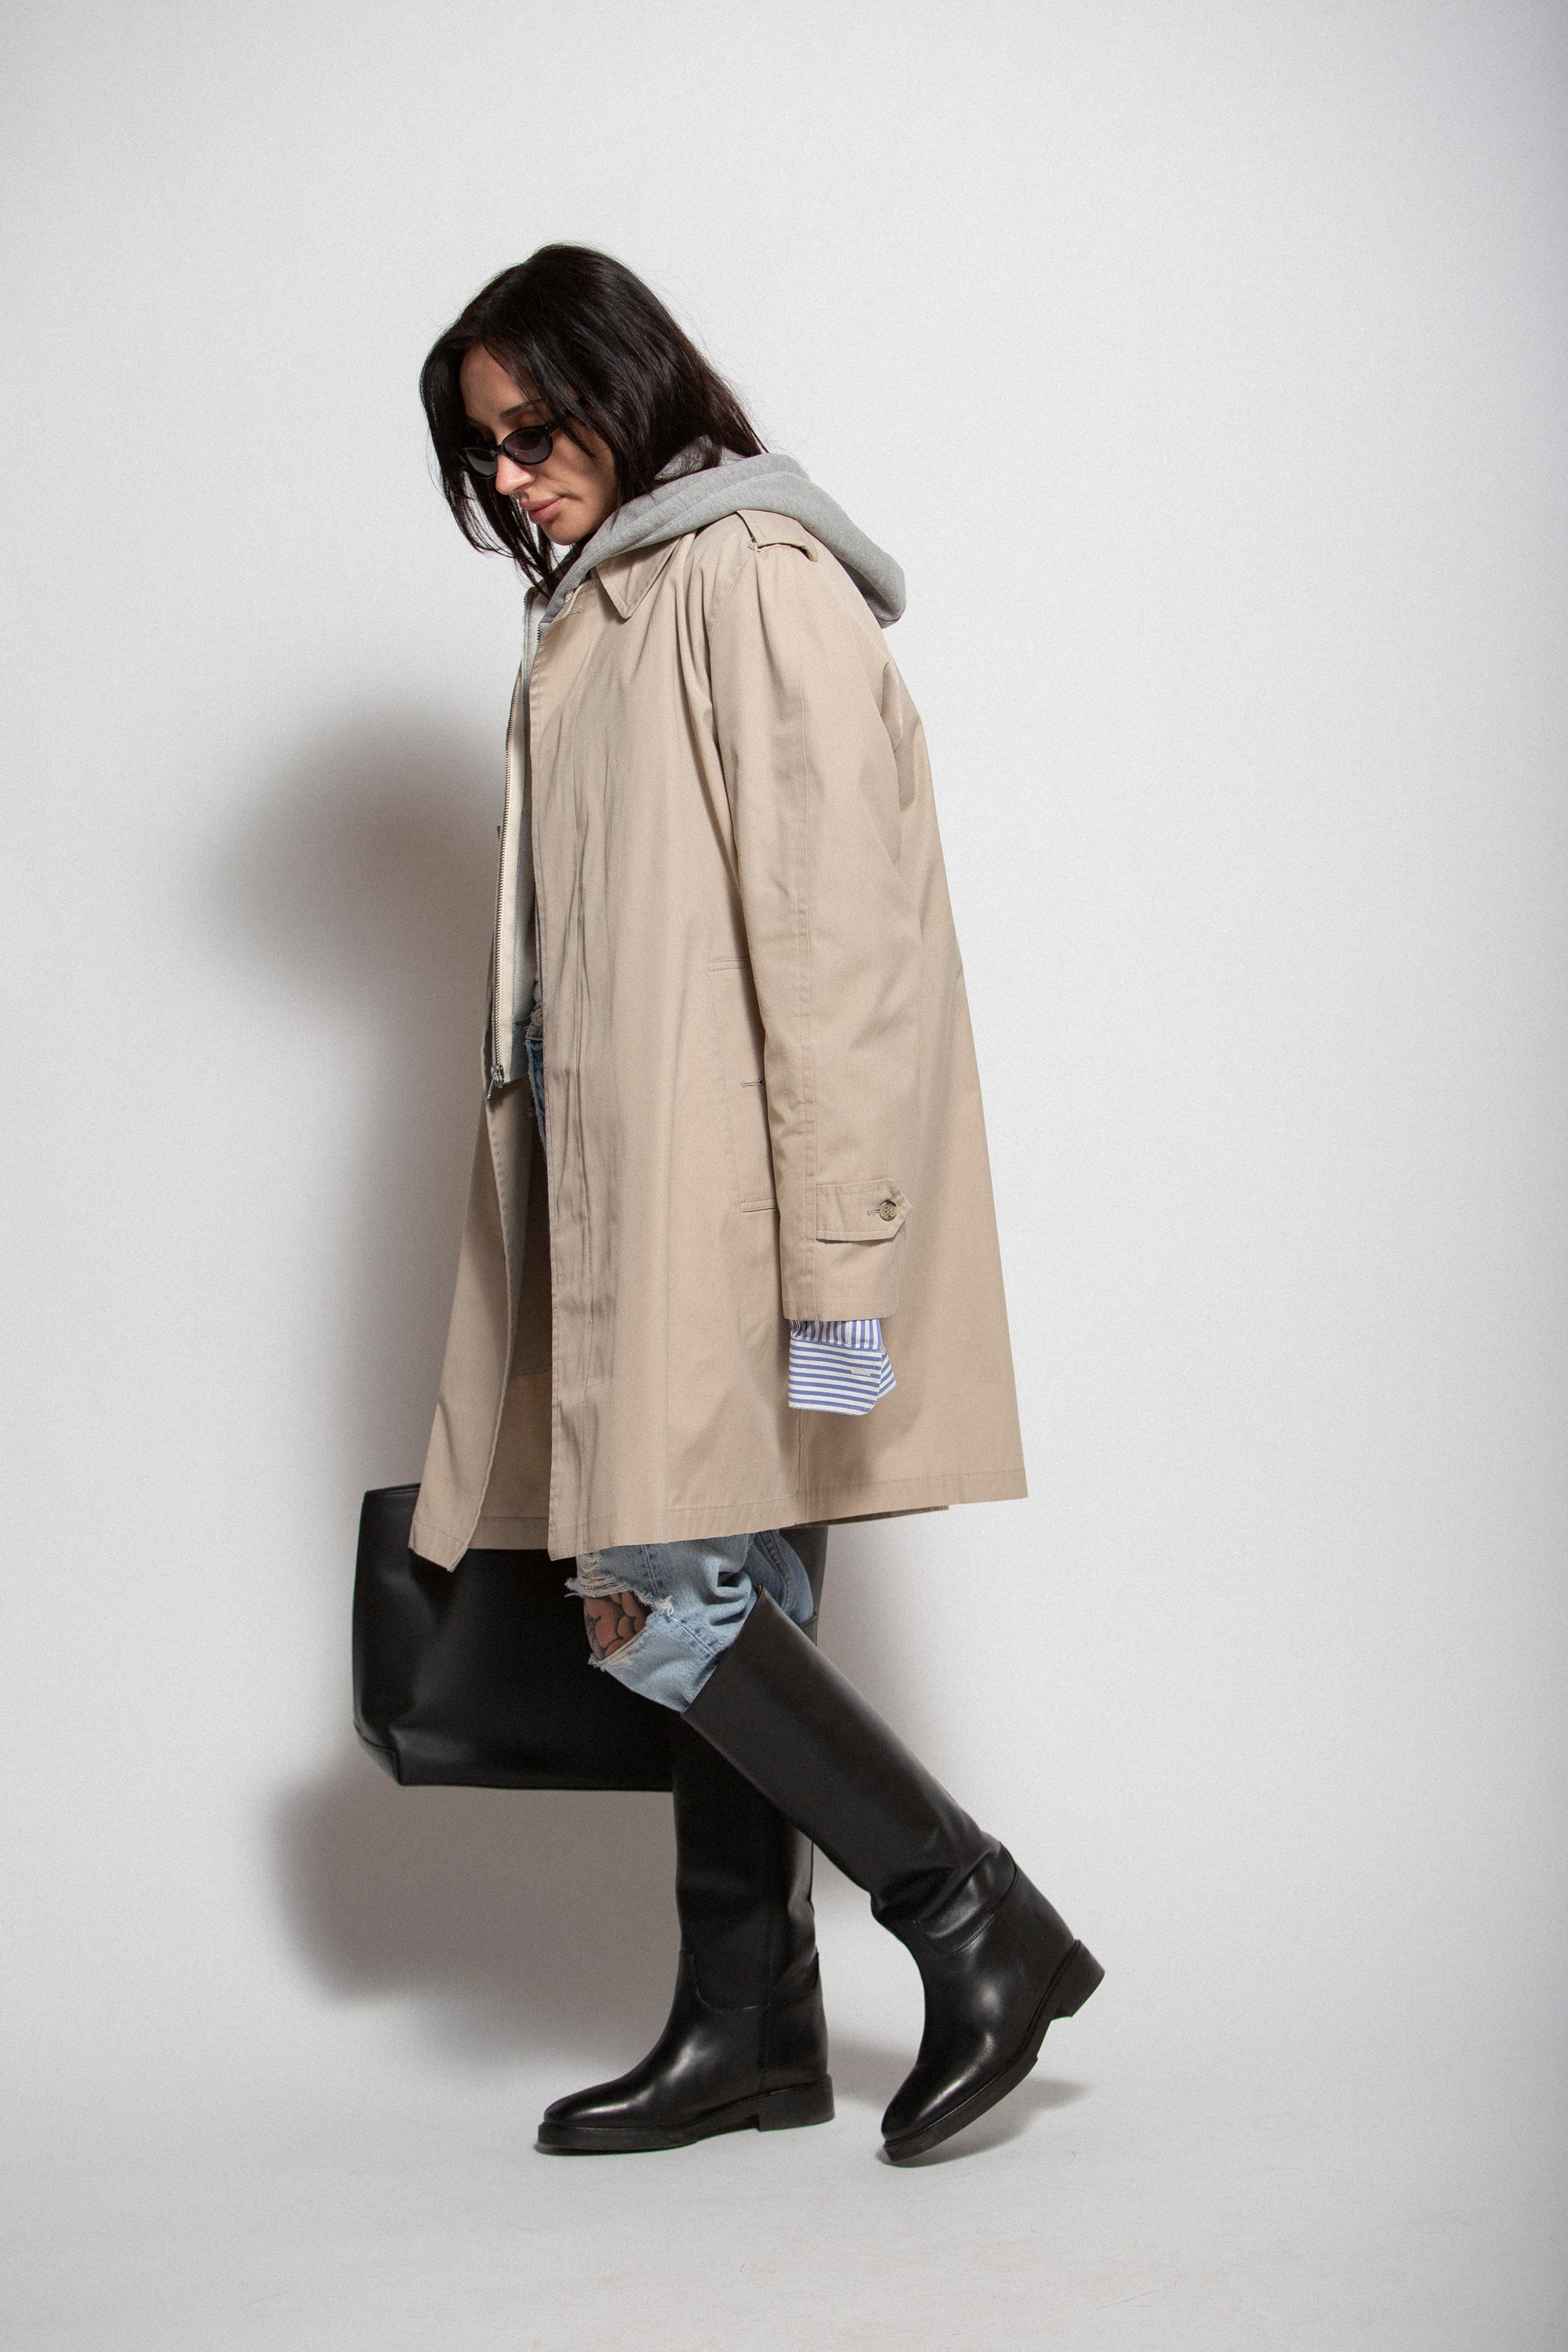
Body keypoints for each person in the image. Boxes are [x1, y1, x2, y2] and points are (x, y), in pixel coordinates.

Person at [412, 245, 1101, 2164]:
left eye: (532, 432)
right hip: (634, 1207)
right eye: (485, 455)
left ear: (624, 385)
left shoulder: (746, 578)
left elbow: (838, 947)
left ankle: (977, 1920)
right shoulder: (606, 605)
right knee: (734, 1607)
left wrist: (839, 1258)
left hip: (742, 1231)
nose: (512, 479)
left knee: (658, 1604)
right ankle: (749, 2027)